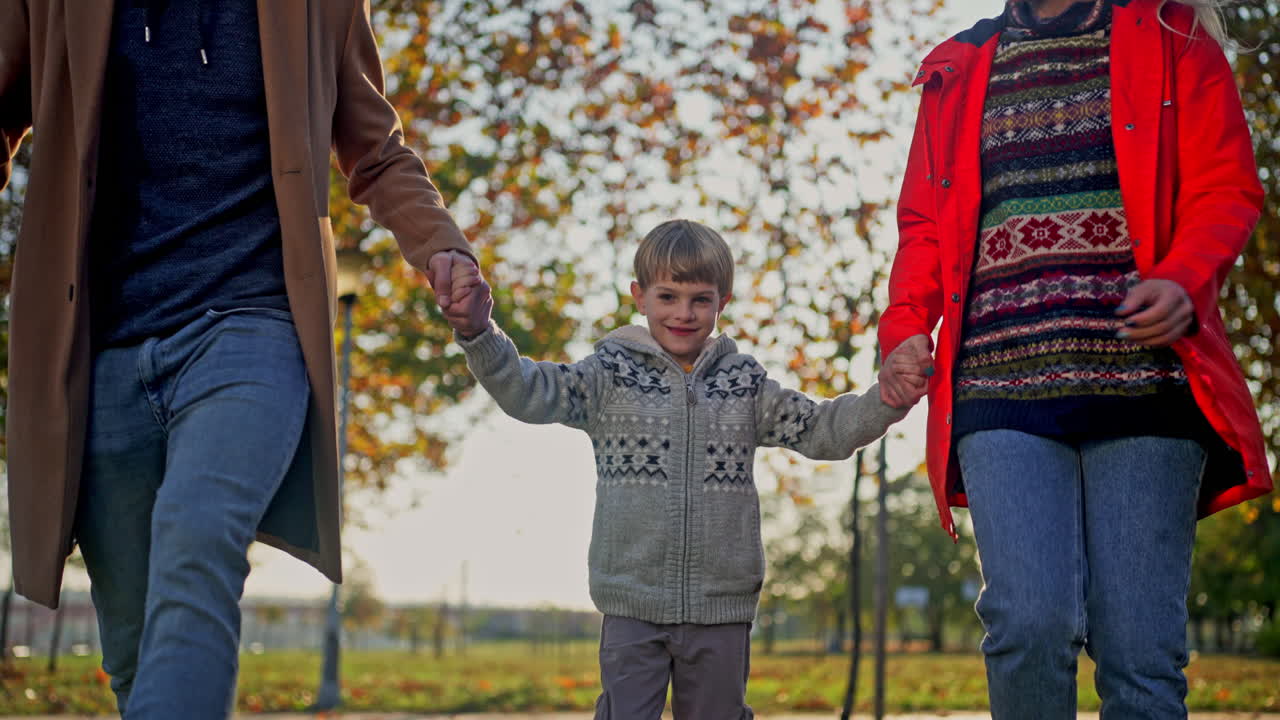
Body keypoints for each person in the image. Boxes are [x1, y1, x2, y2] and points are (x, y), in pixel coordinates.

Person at [0, 1, 476, 716]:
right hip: (98, 346)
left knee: (198, 541)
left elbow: (375, 148)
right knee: (132, 646)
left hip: (252, 326)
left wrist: (440, 242)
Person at [876, 0, 1272, 717]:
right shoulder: (959, 66)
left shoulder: (1173, 36)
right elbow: (924, 226)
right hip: (1000, 382)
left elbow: (1226, 185)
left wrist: (1185, 278)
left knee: (1138, 657)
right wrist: (906, 326)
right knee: (1028, 624)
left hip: (1144, 383)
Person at [439, 219, 925, 719]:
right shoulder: (608, 377)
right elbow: (527, 390)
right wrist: (479, 333)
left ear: (723, 302)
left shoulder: (745, 386)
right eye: (668, 296)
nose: (684, 313)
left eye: (700, 300)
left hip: (721, 608)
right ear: (640, 296)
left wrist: (884, 400)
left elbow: (824, 429)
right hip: (631, 603)